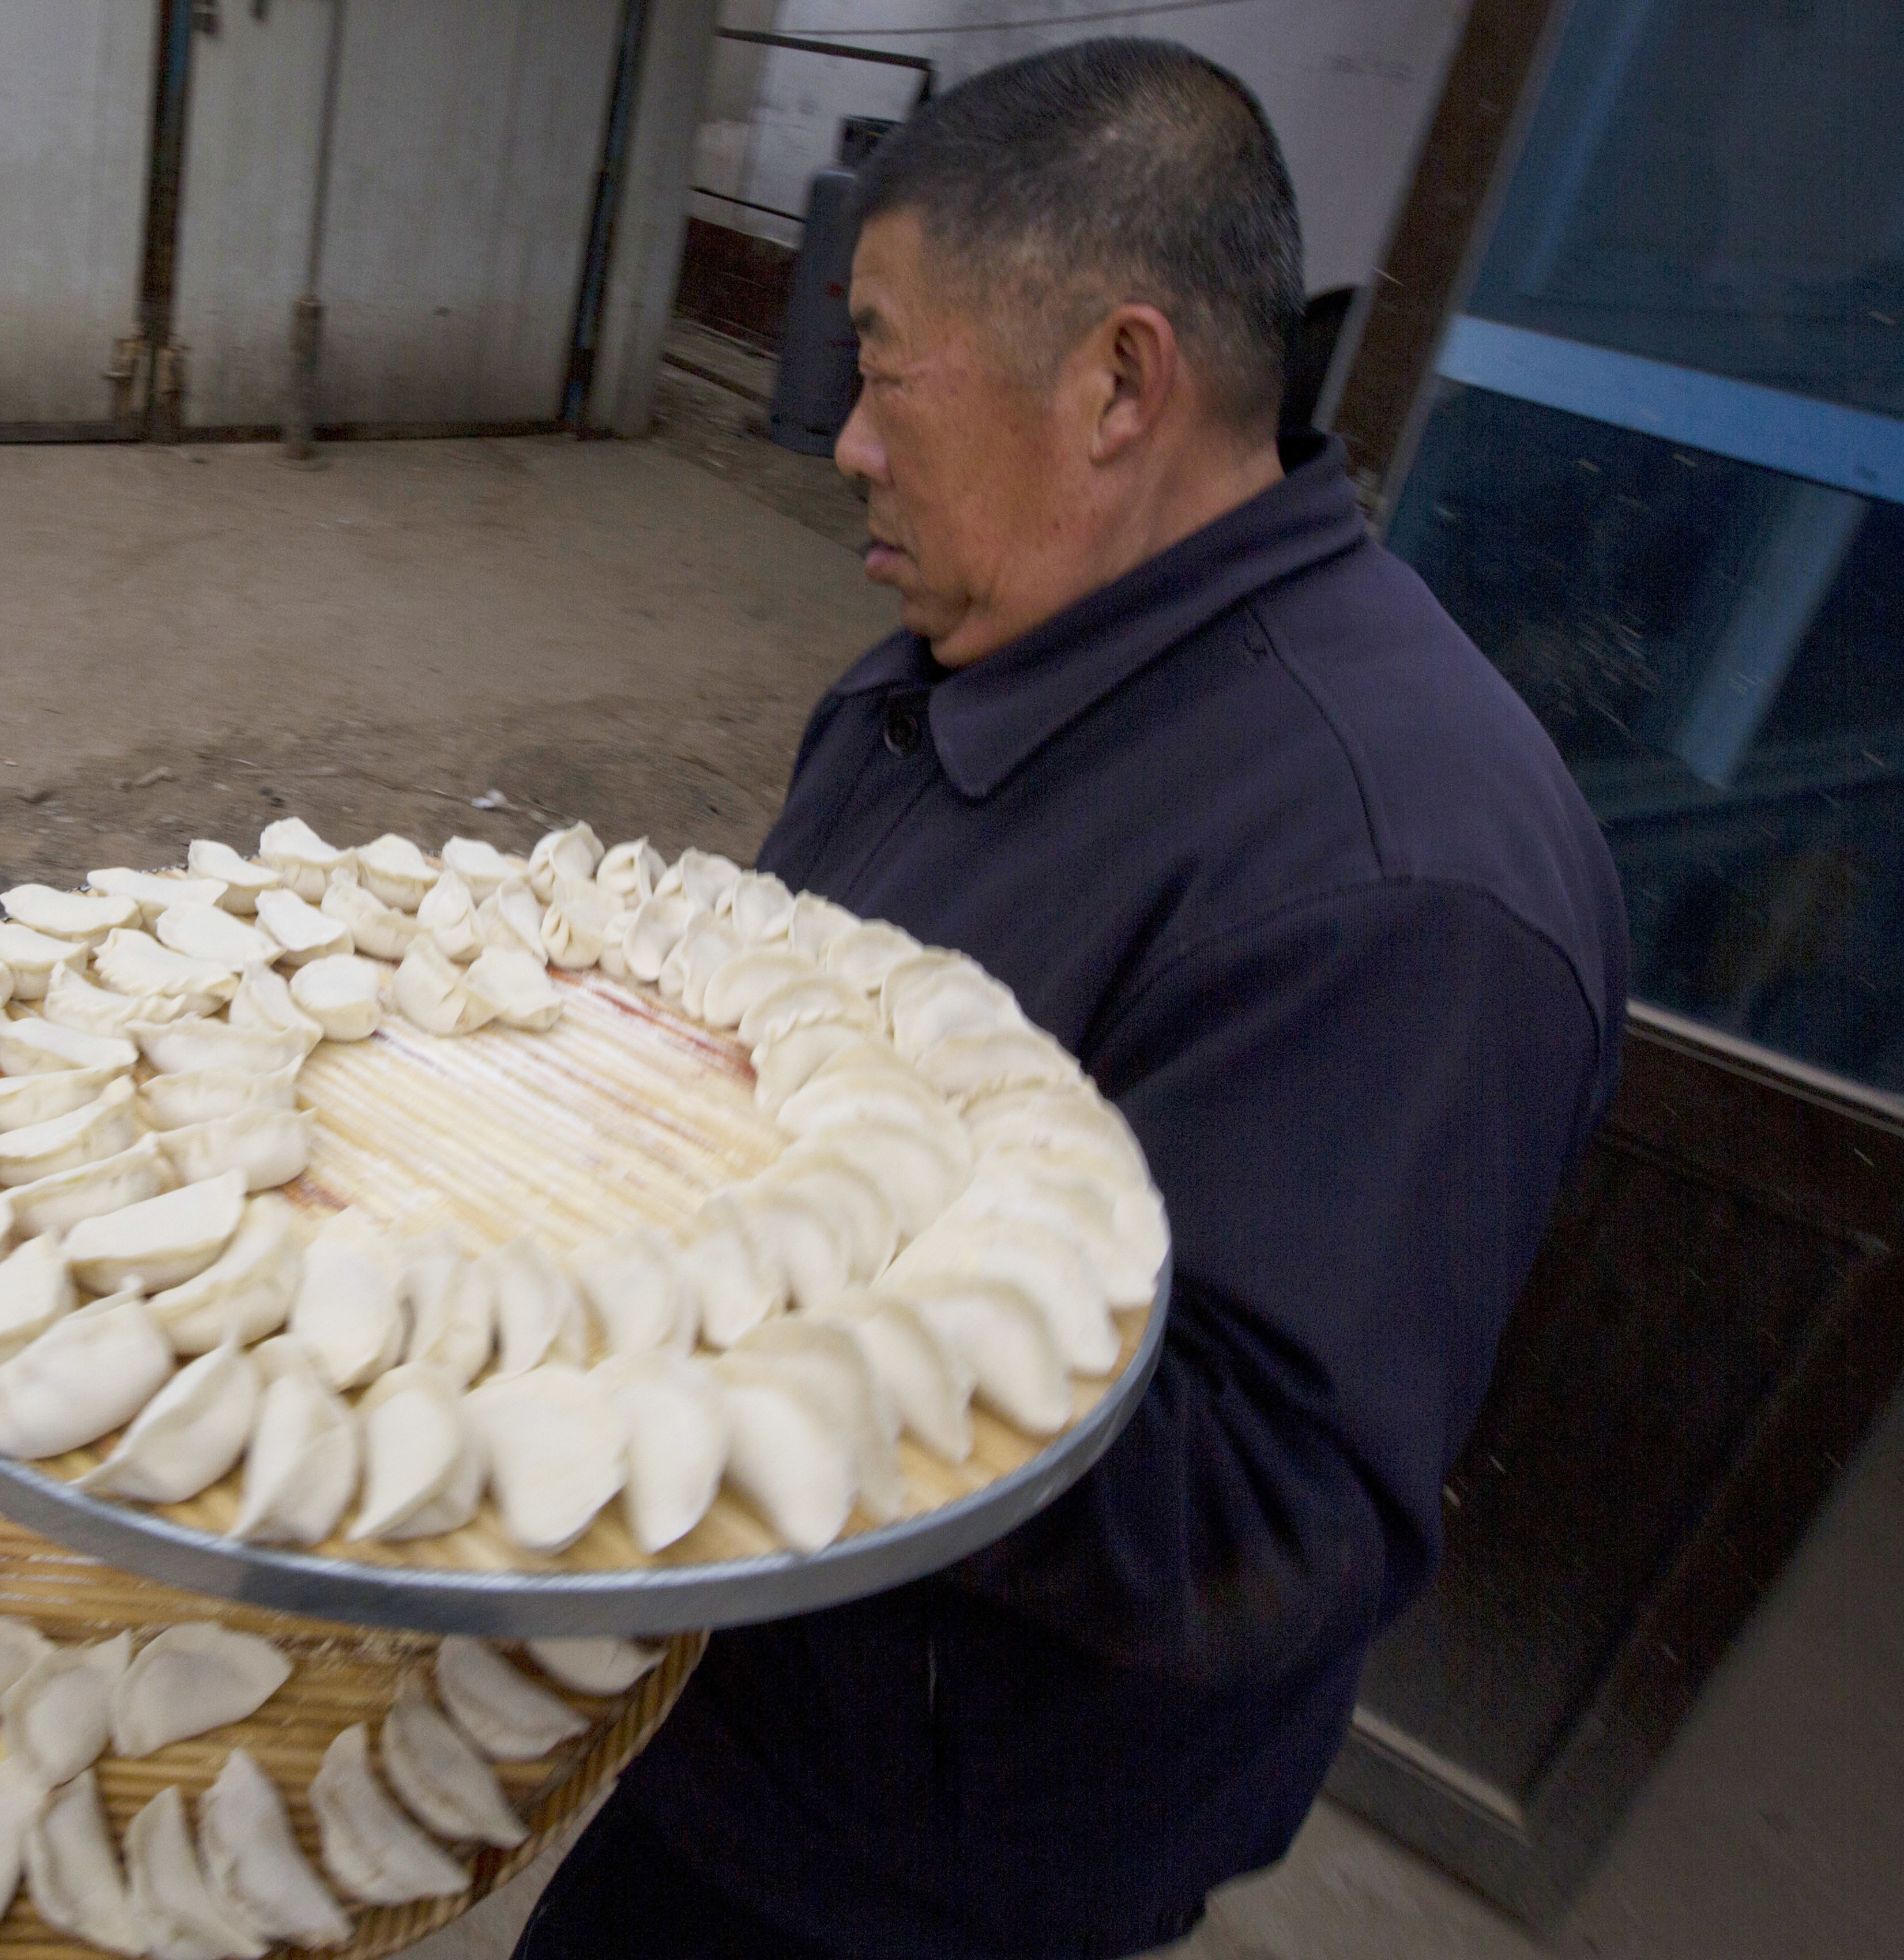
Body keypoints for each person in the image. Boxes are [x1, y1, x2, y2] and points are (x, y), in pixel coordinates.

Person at [514, 38, 1627, 1960]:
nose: (846, 434)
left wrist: (721, 1327)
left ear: (1117, 381)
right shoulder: (966, 662)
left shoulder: (1396, 878)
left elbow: (1258, 1523)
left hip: (928, 1862)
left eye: (877, 359)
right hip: (748, 1714)